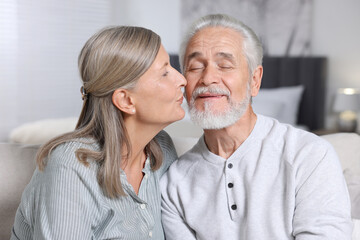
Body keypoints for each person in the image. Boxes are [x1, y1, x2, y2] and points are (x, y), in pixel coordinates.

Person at [160, 14, 352, 239]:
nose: (208, 78)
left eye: (224, 65)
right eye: (195, 67)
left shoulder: (308, 154)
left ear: (255, 80)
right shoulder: (174, 182)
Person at [11, 26, 186, 239]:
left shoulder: (161, 148)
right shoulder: (72, 166)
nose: (182, 79)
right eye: (165, 73)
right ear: (126, 100)